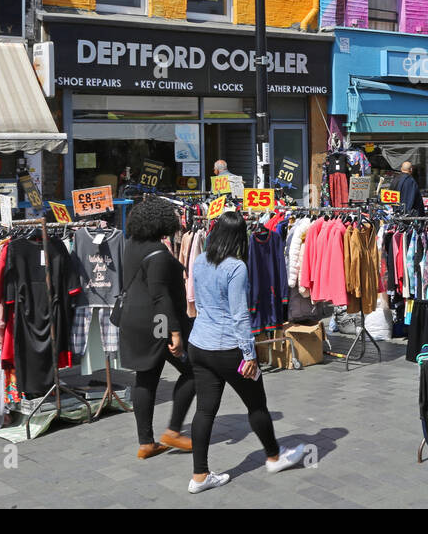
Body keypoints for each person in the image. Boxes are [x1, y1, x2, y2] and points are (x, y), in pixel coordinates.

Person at [185, 211, 306, 493]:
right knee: (256, 404)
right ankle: (274, 456)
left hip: (200, 344)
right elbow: (239, 315)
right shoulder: (236, 267)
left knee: (204, 410)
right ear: (240, 237)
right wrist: (249, 354)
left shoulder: (201, 260)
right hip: (229, 348)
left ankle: (199, 476)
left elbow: (199, 300)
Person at [119, 199, 195, 461]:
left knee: (146, 378)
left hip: (133, 320)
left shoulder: (132, 246)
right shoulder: (158, 254)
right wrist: (173, 333)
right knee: (193, 371)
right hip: (157, 323)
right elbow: (160, 297)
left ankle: (146, 443)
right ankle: (173, 431)